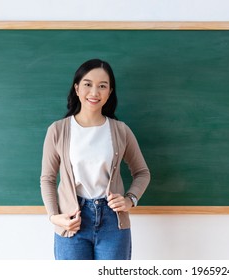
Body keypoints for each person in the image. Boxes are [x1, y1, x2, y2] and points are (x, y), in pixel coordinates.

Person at [40, 58, 150, 260]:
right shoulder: (58, 130)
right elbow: (47, 178)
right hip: (72, 221)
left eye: (102, 86)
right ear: (77, 88)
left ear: (109, 92)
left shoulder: (120, 131)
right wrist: (54, 217)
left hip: (113, 222)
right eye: (88, 84)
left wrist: (130, 200)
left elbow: (142, 172)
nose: (94, 92)